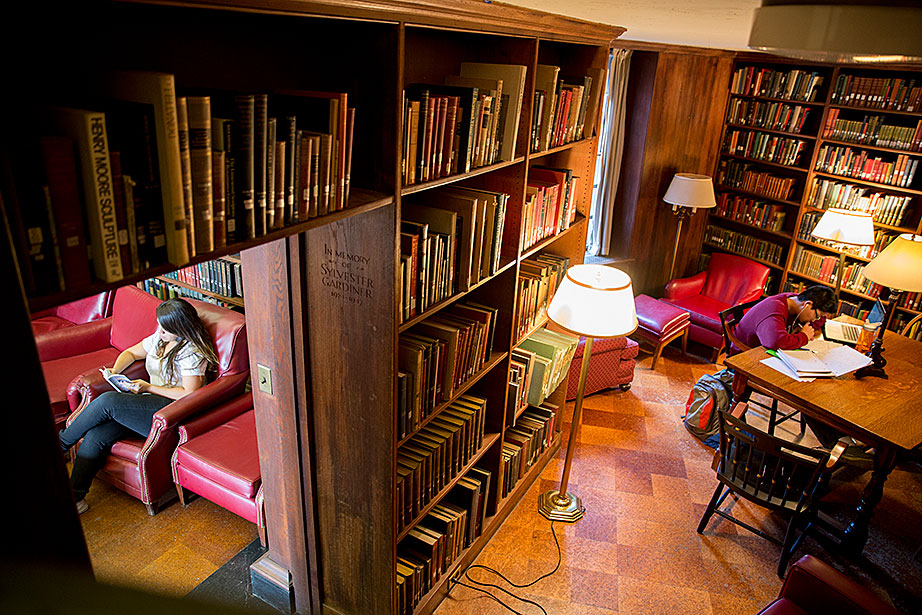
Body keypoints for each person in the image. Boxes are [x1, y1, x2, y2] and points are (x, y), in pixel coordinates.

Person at [59, 298, 219, 514]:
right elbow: (131, 353)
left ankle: (61, 444)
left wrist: (148, 388)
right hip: (148, 406)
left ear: (180, 328)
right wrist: (116, 371)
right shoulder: (160, 339)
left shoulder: (192, 352)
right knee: (97, 434)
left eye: (165, 328)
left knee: (108, 402)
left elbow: (189, 394)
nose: (159, 330)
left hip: (171, 411)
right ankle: (76, 498)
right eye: (159, 325)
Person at [731, 284, 871, 464]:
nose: (817, 320)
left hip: (768, 354)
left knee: (816, 386)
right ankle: (836, 442)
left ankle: (838, 440)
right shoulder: (774, 309)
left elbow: (818, 322)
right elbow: (775, 341)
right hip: (749, 359)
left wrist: (811, 322)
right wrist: (804, 336)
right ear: (808, 304)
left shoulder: (794, 300)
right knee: (808, 392)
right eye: (817, 314)